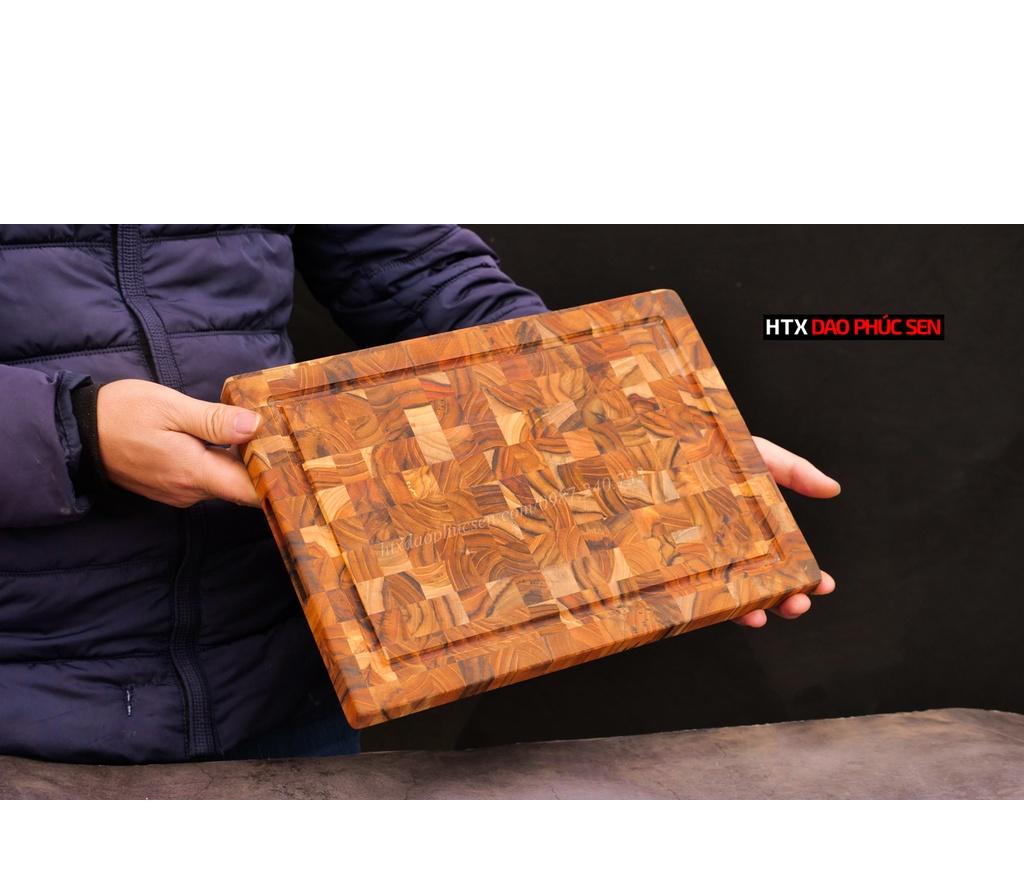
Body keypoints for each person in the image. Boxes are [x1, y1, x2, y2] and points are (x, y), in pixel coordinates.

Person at [0, 225, 838, 765]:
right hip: (25, 705)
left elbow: (417, 270)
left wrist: (626, 422)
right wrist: (71, 432)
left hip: (281, 675)